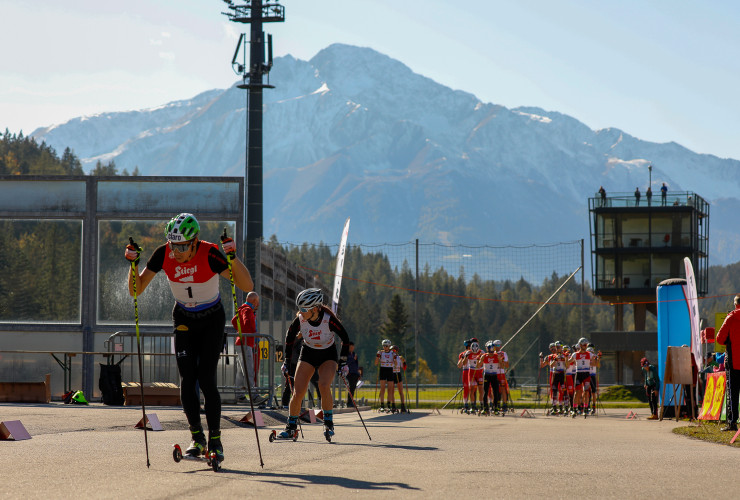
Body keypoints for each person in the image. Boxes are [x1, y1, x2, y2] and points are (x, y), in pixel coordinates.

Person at [125, 213, 253, 462]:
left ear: (195, 241)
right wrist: (133, 265)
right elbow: (136, 290)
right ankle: (197, 437)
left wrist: (233, 258)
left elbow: (246, 285)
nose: (177, 251)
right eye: (174, 244)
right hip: (184, 317)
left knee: (206, 379)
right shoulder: (163, 253)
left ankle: (215, 440)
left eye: (182, 246)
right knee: (187, 379)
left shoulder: (211, 253)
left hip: (211, 320)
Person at [279, 288, 351, 440]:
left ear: (315, 308)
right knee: (298, 392)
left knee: (323, 385)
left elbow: (345, 338)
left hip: (328, 354)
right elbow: (289, 337)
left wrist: (343, 362)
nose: (301, 312)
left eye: (304, 309)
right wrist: (286, 361)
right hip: (308, 353)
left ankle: (328, 423)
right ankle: (291, 427)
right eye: (299, 308)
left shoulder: (329, 320)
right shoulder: (300, 319)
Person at [231, 291, 261, 402]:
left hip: (240, 342)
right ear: (254, 301)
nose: (258, 304)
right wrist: (252, 332)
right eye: (257, 301)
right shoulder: (248, 310)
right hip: (245, 343)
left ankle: (240, 395)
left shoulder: (242, 308)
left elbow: (234, 321)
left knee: (240, 371)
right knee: (249, 370)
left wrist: (240, 330)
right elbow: (247, 321)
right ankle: (253, 395)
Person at [716, 294, 740, 431]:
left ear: (735, 304)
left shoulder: (731, 317)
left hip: (733, 362)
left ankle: (732, 422)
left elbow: (719, 338)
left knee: (733, 393)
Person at [458, 339, 484, 413]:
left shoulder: (480, 351)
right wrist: (464, 357)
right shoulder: (464, 353)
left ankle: (477, 404)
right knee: (467, 389)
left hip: (475, 371)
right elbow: (460, 365)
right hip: (467, 371)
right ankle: (466, 404)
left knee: (477, 389)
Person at [569, 338, 593, 416]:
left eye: (586, 345)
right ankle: (574, 409)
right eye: (584, 345)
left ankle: (585, 409)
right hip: (578, 374)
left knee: (586, 392)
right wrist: (566, 357)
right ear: (580, 345)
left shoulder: (589, 354)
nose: (585, 346)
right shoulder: (575, 354)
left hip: (586, 374)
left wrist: (598, 358)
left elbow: (597, 364)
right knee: (577, 392)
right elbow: (567, 364)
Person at [478, 341, 500, 414]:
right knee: (486, 391)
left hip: (494, 375)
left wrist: (501, 360)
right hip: (487, 375)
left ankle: (495, 408)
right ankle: (485, 408)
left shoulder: (496, 356)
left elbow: (503, 366)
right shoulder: (484, 356)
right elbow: (478, 366)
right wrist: (479, 359)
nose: (491, 354)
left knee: (495, 392)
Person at [375, 339, 396, 412]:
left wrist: (395, 357)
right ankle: (382, 405)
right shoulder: (381, 353)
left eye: (386, 346)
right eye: (383, 346)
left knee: (390, 389)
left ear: (389, 346)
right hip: (383, 369)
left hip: (390, 370)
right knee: (382, 388)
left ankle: (389, 405)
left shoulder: (392, 353)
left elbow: (396, 364)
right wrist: (377, 356)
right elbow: (376, 363)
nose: (385, 347)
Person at [391, 345, 409, 413]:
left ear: (397, 351)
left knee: (400, 391)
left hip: (398, 373)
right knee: (392, 391)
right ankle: (393, 406)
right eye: (392, 350)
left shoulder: (399, 358)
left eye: (394, 350)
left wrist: (404, 362)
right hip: (391, 374)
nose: (393, 351)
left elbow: (404, 368)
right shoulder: (390, 357)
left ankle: (403, 406)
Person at [345, 341, 360, 407]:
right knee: (351, 387)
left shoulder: (354, 354)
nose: (352, 348)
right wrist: (353, 359)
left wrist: (358, 373)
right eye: (350, 347)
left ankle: (351, 401)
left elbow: (356, 364)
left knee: (353, 388)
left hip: (355, 372)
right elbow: (347, 363)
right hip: (350, 373)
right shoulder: (346, 354)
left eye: (353, 347)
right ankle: (349, 402)